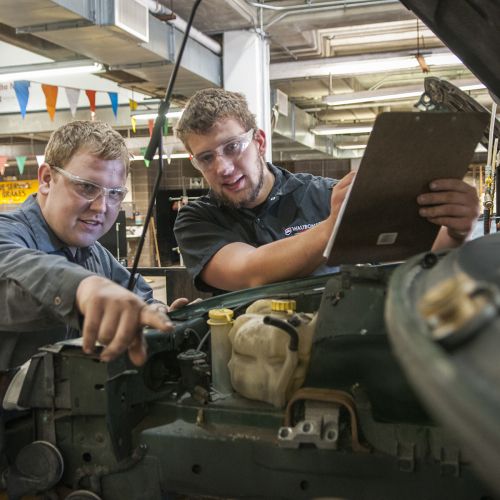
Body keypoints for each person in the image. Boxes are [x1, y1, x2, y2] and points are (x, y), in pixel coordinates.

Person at [174, 88, 480, 294]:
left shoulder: (321, 194)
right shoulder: (197, 221)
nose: (223, 167)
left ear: (260, 142)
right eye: (206, 158)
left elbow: (412, 253)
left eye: (232, 147)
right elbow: (250, 271)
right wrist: (334, 228)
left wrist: (456, 230)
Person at [0, 120, 186, 369]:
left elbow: (134, 296)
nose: (101, 207)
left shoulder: (94, 254)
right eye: (87, 187)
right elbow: (17, 269)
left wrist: (160, 314)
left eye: (115, 194)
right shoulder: (9, 233)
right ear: (46, 179)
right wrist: (82, 288)